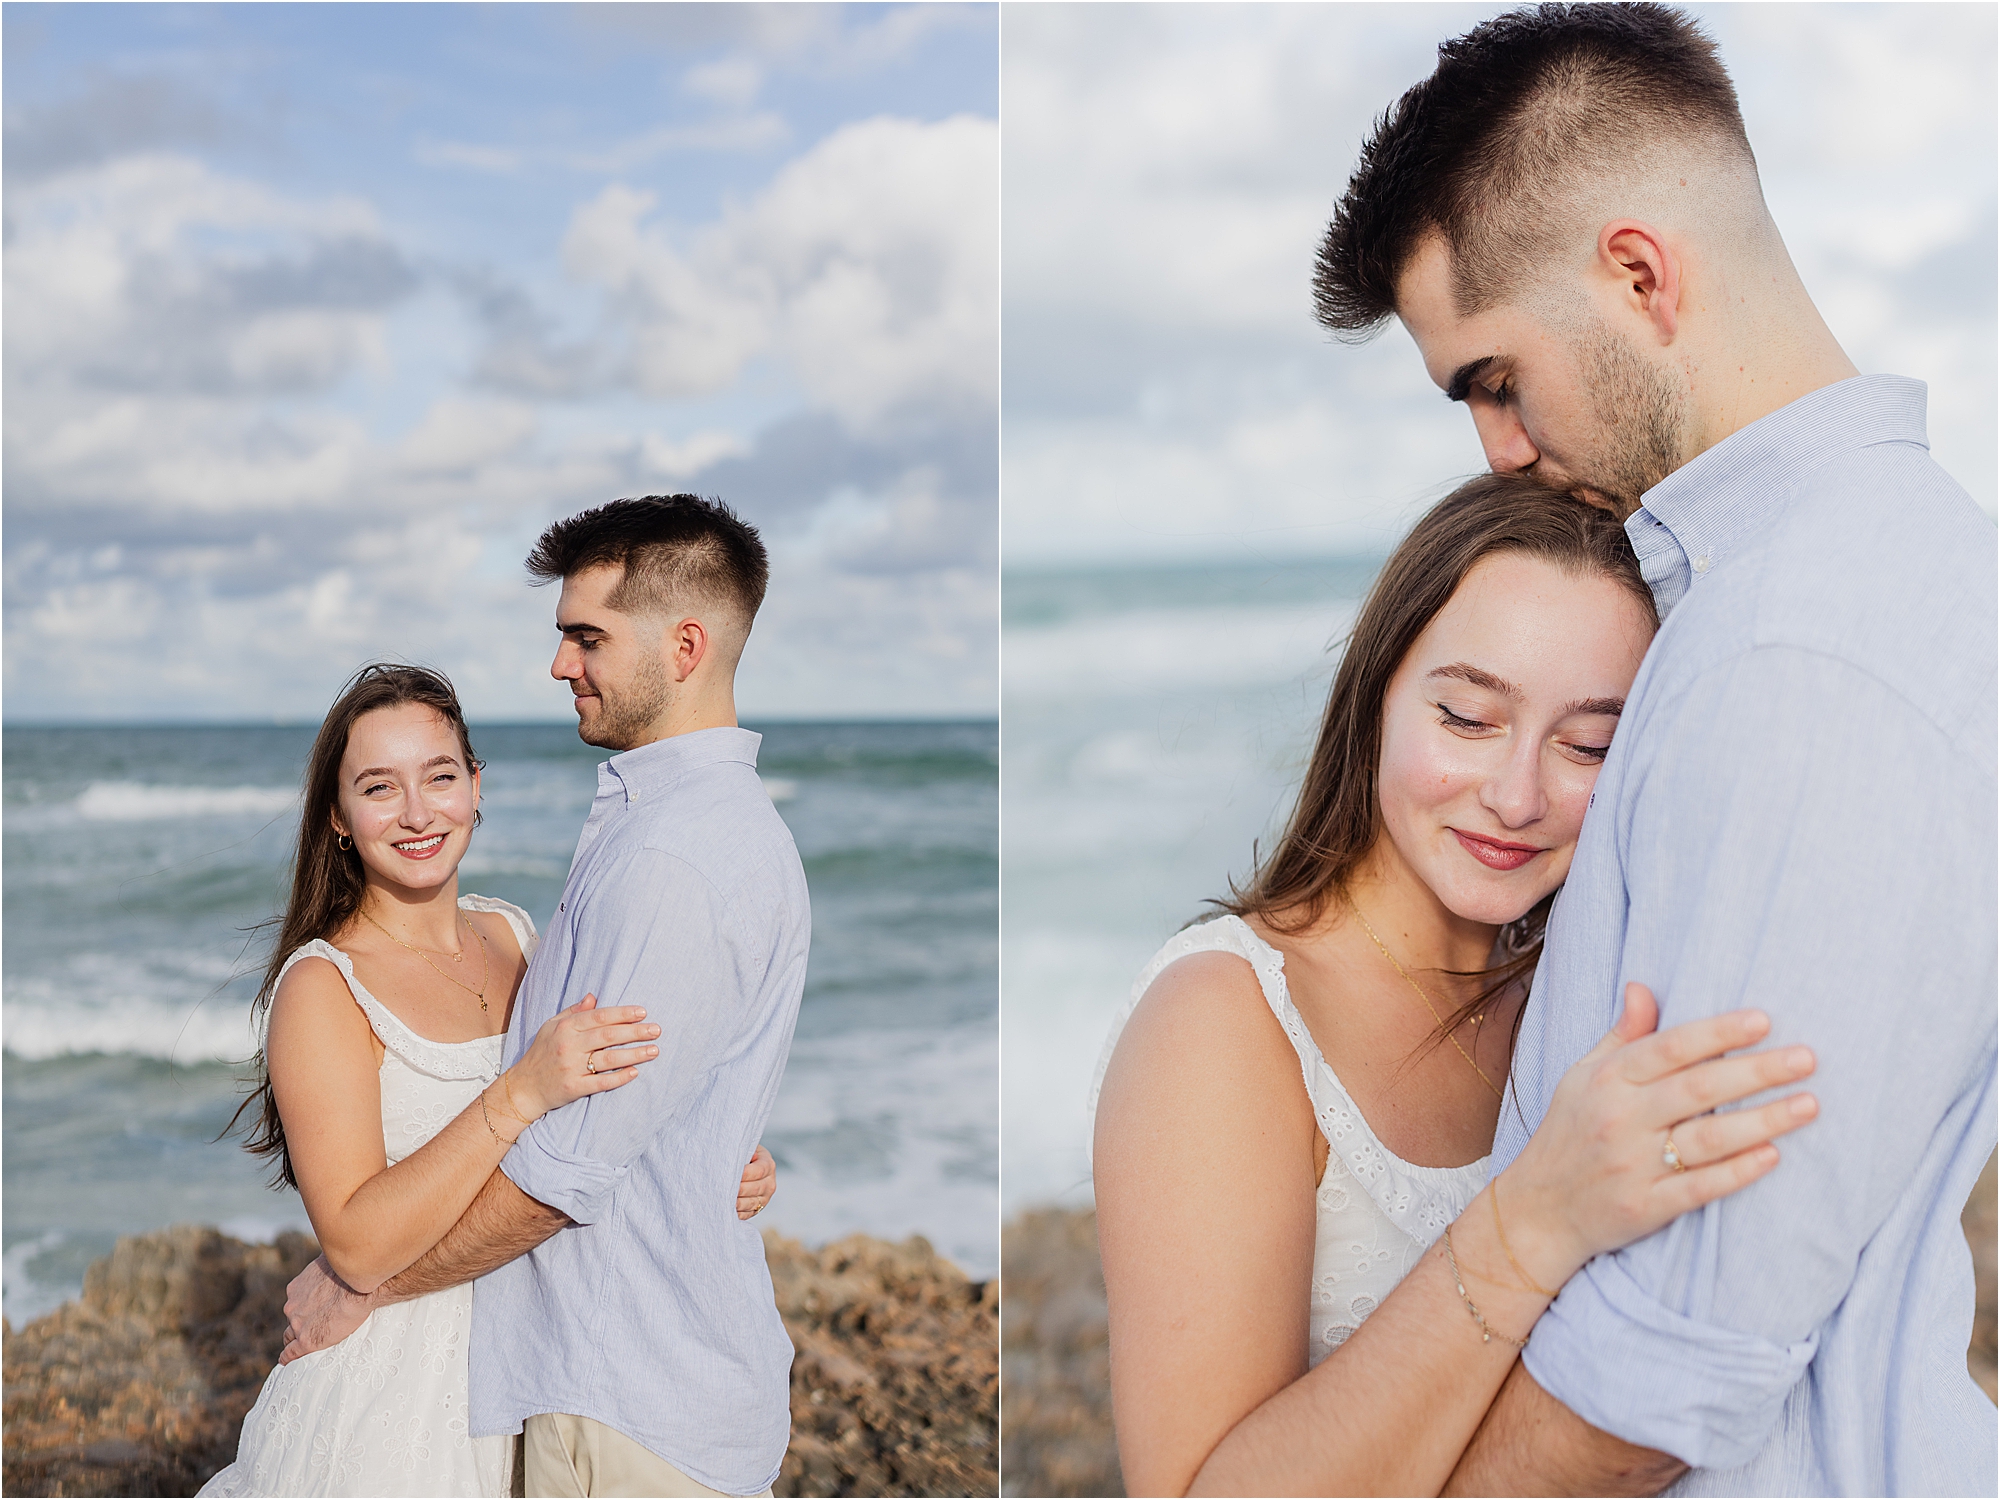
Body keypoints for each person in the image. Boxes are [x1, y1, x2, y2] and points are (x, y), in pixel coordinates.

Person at [1312, 4, 1996, 1493]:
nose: (1494, 449)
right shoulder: (1866, 578)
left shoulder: (1798, 651)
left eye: (1495, 377)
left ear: (1637, 272)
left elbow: (1674, 1364)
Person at [1091, 473, 1822, 1496]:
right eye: (1468, 718)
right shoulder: (1223, 1022)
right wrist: (1531, 1220)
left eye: (1587, 746)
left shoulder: (1585, 995)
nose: (1516, 796)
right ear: (1377, 695)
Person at [281, 495, 810, 1500]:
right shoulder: (663, 837)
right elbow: (617, 1106)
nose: (559, 664)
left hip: (619, 1394)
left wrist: (366, 1290)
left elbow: (563, 1173)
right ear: (337, 817)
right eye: (378, 787)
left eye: (585, 637)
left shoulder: (660, 867)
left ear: (684, 645)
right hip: (508, 1381)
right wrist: (698, 1147)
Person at [203, 663, 778, 1498]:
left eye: (440, 777)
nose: (416, 813)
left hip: (533, 1369)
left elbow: (602, 1113)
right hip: (393, 1402)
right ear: (336, 816)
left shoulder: (513, 933)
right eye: (377, 787)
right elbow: (357, 1245)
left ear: (477, 785)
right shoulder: (323, 987)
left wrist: (718, 1159)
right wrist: (517, 1095)